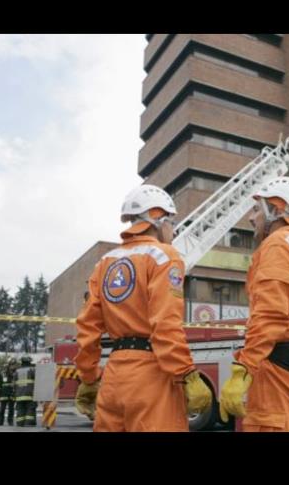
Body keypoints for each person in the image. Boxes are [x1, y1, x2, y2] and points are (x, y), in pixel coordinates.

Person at [73, 184, 212, 431]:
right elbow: (165, 324)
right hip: (152, 375)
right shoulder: (165, 256)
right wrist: (187, 374)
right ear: (157, 218)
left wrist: (88, 377)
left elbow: (87, 326)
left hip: (114, 376)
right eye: (171, 220)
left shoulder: (105, 262)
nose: (173, 228)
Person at [218, 176, 289, 432]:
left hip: (279, 376)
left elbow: (270, 316)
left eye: (257, 209)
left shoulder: (278, 245)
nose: (251, 217)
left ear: (277, 209)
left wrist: (243, 369)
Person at [13, 355, 37, 427]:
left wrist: (15, 393)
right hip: (29, 394)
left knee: (20, 409)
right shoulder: (32, 370)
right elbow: (37, 381)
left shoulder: (17, 371)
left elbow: (14, 384)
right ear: (29, 362)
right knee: (30, 408)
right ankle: (28, 423)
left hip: (19, 395)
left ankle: (20, 423)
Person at [0, 358, 16, 426]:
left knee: (11, 409)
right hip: (3, 394)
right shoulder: (3, 373)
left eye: (14, 365)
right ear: (9, 365)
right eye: (12, 365)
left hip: (12, 393)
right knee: (2, 409)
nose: (13, 366)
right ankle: (0, 422)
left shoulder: (16, 373)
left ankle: (10, 422)